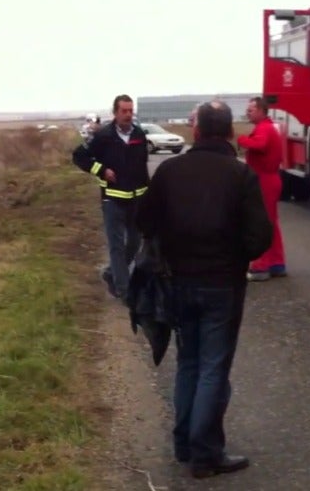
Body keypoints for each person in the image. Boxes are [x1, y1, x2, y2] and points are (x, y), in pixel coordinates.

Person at [136, 100, 273, 479]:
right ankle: (205, 453)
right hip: (222, 285)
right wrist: (235, 257)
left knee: (190, 363)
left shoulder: (169, 171)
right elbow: (260, 236)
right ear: (230, 132)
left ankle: (185, 444)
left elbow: (144, 220)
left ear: (195, 132)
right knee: (213, 367)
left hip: (178, 282)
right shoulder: (239, 175)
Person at [72, 94, 149, 301]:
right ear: (115, 112)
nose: (127, 115)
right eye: (123, 111)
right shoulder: (103, 136)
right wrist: (101, 170)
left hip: (136, 201)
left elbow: (143, 168)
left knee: (134, 243)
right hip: (112, 200)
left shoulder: (139, 135)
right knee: (116, 246)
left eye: (130, 111)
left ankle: (111, 273)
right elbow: (79, 156)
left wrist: (149, 195)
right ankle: (124, 290)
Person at [237, 96, 287, 281]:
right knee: (271, 223)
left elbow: (260, 144)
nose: (247, 113)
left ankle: (262, 265)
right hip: (269, 178)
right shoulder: (267, 127)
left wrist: (242, 140)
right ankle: (276, 263)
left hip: (264, 180)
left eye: (250, 110)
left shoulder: (264, 128)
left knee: (262, 223)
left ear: (260, 110)